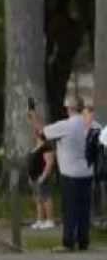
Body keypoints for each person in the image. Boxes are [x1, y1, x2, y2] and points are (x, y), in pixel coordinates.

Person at [37, 96, 93, 251]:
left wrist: (33, 119)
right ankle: (84, 241)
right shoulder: (92, 124)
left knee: (70, 209)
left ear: (68, 108)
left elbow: (42, 134)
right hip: (88, 173)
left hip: (70, 174)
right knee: (84, 209)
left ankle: (68, 242)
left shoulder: (66, 126)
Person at [28, 134, 57, 230]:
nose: (33, 135)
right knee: (38, 199)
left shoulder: (46, 147)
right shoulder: (35, 147)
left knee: (46, 198)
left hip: (42, 176)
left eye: (35, 134)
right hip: (34, 177)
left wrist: (43, 176)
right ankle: (40, 220)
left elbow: (49, 163)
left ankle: (50, 220)